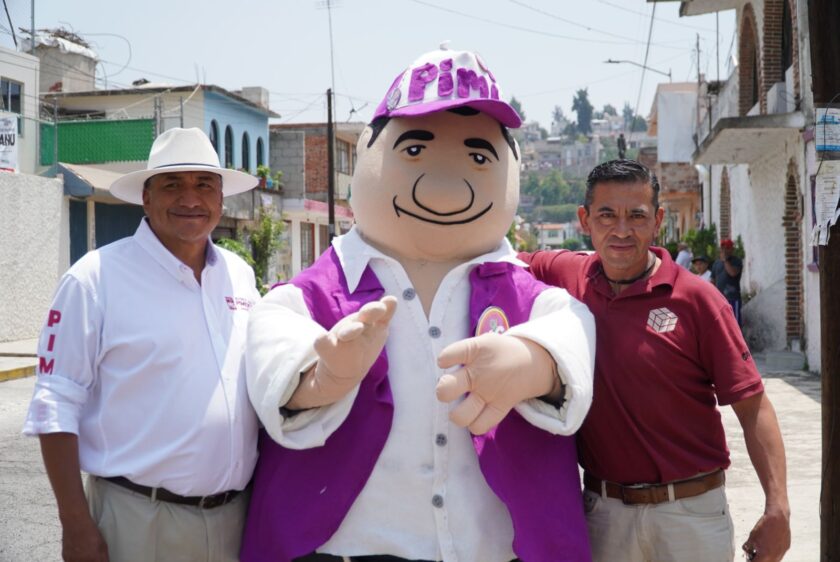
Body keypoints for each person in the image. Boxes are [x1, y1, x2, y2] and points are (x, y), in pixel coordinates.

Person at [242, 45, 596, 562]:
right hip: (351, 547)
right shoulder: (317, 291)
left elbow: (572, 329)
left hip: (489, 547)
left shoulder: (523, 292)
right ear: (370, 150)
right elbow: (272, 335)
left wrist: (535, 363)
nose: (446, 187)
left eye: (479, 157)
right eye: (413, 150)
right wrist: (320, 380)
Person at [520, 159, 790, 562]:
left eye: (637, 216)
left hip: (691, 517)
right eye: (607, 215)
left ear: (658, 220)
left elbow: (753, 408)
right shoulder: (566, 276)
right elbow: (495, 264)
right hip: (604, 515)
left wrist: (778, 507)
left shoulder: (698, 300)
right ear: (585, 220)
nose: (621, 230)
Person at [22, 128, 261, 562]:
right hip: (137, 520)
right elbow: (54, 404)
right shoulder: (93, 280)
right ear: (146, 198)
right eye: (172, 184)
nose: (190, 198)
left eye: (204, 184)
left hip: (235, 519)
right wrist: (75, 524)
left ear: (221, 198)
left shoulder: (239, 275)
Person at [713, 238, 744, 325]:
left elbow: (732, 273)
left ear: (732, 249)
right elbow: (712, 280)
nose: (724, 250)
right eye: (723, 248)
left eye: (727, 248)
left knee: (735, 324)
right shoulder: (716, 263)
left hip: (733, 298)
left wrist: (725, 260)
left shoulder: (736, 261)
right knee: (722, 325)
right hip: (719, 299)